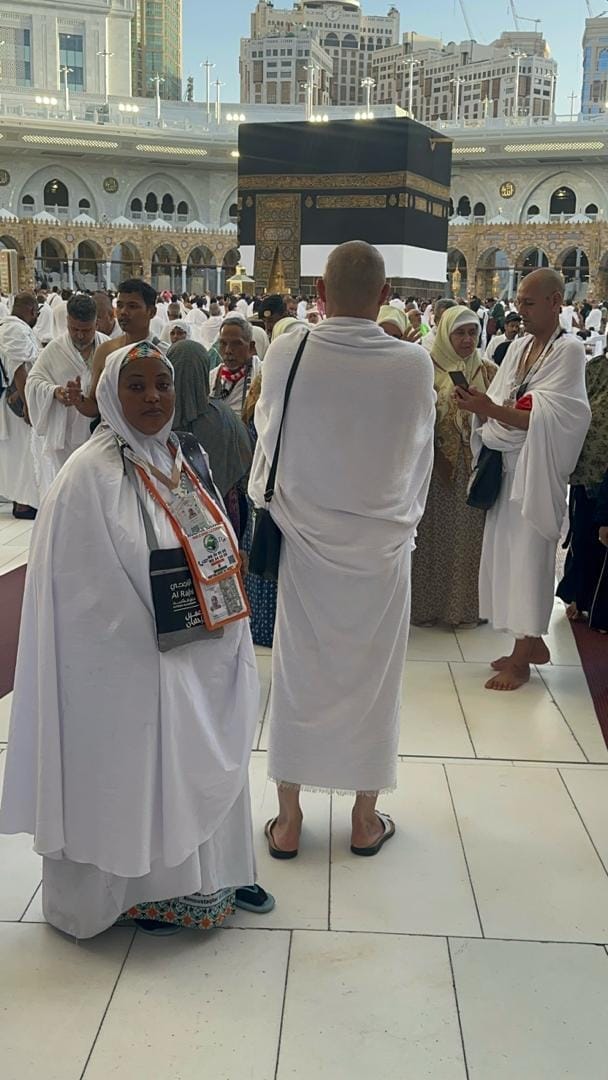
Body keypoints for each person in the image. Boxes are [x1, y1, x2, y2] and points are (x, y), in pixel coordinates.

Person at [0, 341, 273, 938]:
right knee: (139, 770)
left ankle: (217, 876)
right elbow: (78, 592)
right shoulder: (86, 475)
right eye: (137, 386)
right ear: (108, 395)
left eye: (162, 384)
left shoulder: (180, 454)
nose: (153, 397)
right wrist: (152, 631)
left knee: (204, 752)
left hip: (197, 646)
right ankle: (141, 895)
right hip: (127, 663)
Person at [249, 241, 435, 857]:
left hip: (306, 541)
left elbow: (267, 433)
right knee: (373, 680)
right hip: (382, 547)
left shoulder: (288, 348)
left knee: (298, 673)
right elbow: (418, 454)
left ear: (320, 294)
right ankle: (363, 818)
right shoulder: (413, 364)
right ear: (386, 297)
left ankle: (288, 821)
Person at [455, 269, 591, 691]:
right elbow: (503, 400)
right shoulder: (517, 347)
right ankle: (528, 643)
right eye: (519, 303)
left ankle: (521, 660)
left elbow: (553, 418)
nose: (521, 311)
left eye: (529, 303)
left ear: (555, 302)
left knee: (529, 559)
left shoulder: (568, 351)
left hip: (536, 469)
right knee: (505, 557)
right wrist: (482, 407)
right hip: (506, 465)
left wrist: (490, 410)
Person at [411, 306, 495, 627]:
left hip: (475, 469)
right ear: (446, 334)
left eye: (472, 332)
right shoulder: (426, 368)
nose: (467, 339)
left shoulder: (488, 371)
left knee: (468, 541)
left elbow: (502, 414)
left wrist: (481, 408)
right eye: (459, 332)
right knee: (431, 539)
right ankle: (426, 607)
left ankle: (463, 610)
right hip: (434, 469)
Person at [168, 337, 252, 540]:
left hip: (175, 520)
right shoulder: (223, 415)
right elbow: (245, 460)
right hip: (227, 515)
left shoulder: (158, 420)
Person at [26, 293, 108, 497]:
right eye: (74, 329)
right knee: (70, 492)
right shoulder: (55, 349)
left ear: (96, 323)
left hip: (101, 435)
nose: (79, 335)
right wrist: (56, 392)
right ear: (67, 322)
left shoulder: (107, 347)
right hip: (67, 439)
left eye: (86, 330)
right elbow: (33, 381)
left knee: (100, 492)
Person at [556, 348, 608, 631]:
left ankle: (599, 605)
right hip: (588, 473)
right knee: (584, 537)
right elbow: (573, 411)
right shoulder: (595, 369)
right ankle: (579, 596)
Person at [0, 292, 40, 517]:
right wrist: (27, 404)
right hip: (16, 402)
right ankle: (23, 504)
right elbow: (19, 369)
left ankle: (22, 501)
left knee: (20, 452)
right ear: (32, 311)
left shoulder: (10, 327)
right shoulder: (15, 330)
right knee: (25, 452)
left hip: (14, 399)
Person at [209, 316, 262, 417]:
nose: (228, 350)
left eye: (236, 344)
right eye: (223, 343)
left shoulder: (262, 376)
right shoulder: (213, 377)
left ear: (251, 347)